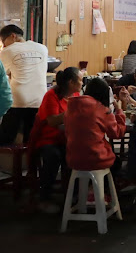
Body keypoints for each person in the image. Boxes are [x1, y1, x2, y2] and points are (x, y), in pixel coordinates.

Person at [31, 67, 83, 213]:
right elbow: (52, 121)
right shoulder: (51, 96)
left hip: (66, 138)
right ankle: (44, 198)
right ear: (71, 82)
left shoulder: (77, 94)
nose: (82, 82)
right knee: (53, 156)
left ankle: (73, 195)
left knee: (79, 154)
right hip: (48, 139)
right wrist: (71, 111)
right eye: (80, 80)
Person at [0, 24, 48, 145]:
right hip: (40, 100)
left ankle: (8, 163)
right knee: (31, 139)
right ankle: (30, 163)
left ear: (13, 36)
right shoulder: (42, 48)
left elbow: (3, 73)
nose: (4, 45)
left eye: (4, 42)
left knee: (6, 138)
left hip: (17, 101)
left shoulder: (7, 51)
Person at [65, 77, 126, 172]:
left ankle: (88, 184)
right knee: (117, 162)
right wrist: (119, 110)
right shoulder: (101, 110)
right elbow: (117, 133)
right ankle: (103, 186)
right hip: (96, 158)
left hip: (73, 158)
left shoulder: (72, 106)